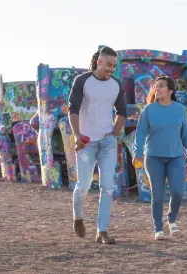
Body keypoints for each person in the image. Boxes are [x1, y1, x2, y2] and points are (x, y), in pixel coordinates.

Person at [68, 46, 127, 244]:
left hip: (107, 142)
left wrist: (115, 133)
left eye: (114, 66)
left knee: (107, 186)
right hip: (86, 143)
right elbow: (73, 110)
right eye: (108, 64)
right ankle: (78, 217)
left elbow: (122, 112)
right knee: (83, 186)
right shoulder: (82, 81)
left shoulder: (116, 85)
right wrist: (77, 135)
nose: (111, 69)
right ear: (98, 61)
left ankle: (102, 231)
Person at [133, 75, 187, 240]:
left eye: (161, 86)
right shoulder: (149, 109)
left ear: (170, 91)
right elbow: (140, 133)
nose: (157, 89)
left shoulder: (180, 109)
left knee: (177, 192)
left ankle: (172, 219)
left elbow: (186, 134)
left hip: (176, 158)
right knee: (158, 195)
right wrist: (137, 152)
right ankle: (158, 228)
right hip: (153, 158)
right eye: (155, 86)